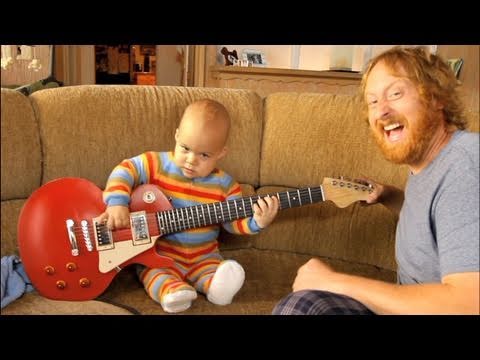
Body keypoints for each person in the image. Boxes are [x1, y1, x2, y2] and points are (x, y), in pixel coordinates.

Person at [272, 46, 479, 315]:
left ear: (436, 97)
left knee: (303, 306)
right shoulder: (428, 164)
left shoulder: (465, 166)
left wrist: (334, 282)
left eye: (395, 93)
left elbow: (470, 302)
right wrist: (389, 196)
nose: (381, 111)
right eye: (372, 101)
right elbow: (439, 221)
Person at [99, 99, 279, 313]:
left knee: (215, 271)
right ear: (176, 136)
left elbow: (233, 224)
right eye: (185, 148)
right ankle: (172, 292)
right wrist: (117, 202)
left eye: (204, 155)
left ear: (221, 153)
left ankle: (216, 288)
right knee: (153, 273)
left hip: (204, 257)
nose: (191, 160)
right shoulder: (156, 163)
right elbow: (125, 169)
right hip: (160, 254)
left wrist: (257, 221)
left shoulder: (226, 186)